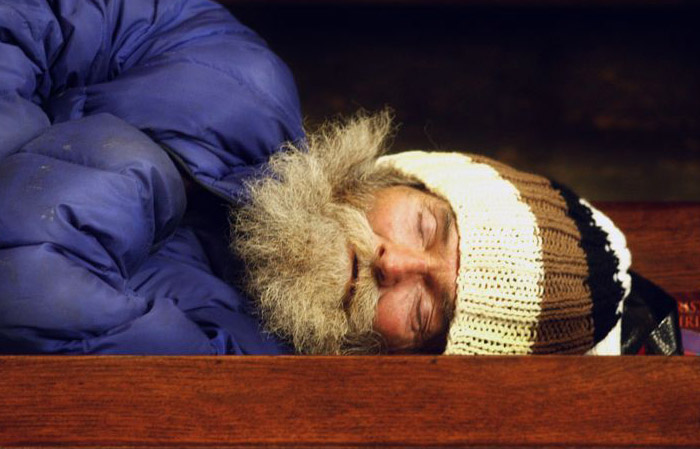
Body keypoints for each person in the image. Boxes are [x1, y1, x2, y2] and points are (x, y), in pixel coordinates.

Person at [0, 0, 681, 355]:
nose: (395, 262)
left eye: (426, 309)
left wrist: (136, 168)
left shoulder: (230, 366)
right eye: (426, 225)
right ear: (400, 180)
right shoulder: (238, 75)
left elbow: (28, 278)